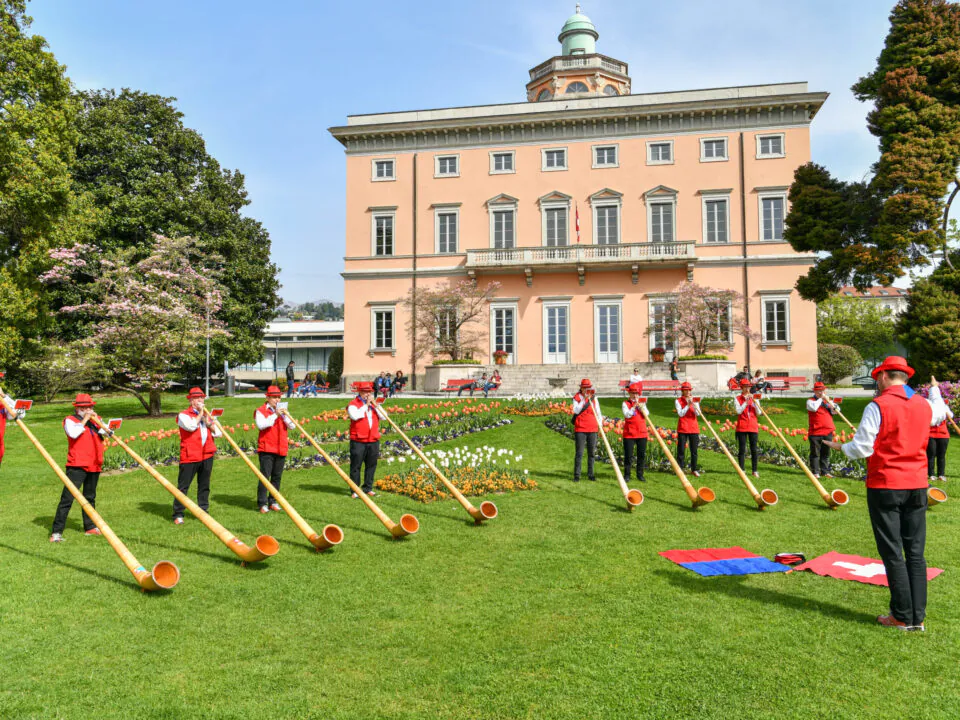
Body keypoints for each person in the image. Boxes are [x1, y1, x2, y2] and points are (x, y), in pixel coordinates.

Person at [824, 357, 947, 632]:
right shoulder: (923, 404)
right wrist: (935, 389)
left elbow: (863, 447)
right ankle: (917, 616)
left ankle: (902, 616)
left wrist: (840, 447)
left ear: (881, 377)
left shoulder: (877, 405)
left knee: (893, 552)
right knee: (915, 552)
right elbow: (941, 410)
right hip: (916, 484)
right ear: (905, 377)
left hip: (886, 484)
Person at [50, 394, 107, 542]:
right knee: (67, 499)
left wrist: (101, 424)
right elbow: (73, 433)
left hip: (94, 463)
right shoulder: (70, 420)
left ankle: (89, 527)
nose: (89, 410)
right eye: (86, 408)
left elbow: (106, 433)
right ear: (78, 409)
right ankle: (56, 532)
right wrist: (86, 419)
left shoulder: (96, 420)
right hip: (77, 464)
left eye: (91, 407)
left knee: (90, 497)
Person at [173, 387, 222, 524]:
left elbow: (218, 433)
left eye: (202, 398)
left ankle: (203, 511)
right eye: (197, 398)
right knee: (183, 486)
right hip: (190, 455)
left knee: (204, 484)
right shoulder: (183, 415)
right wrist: (201, 414)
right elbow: (191, 427)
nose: (200, 400)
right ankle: (178, 513)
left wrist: (209, 422)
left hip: (206, 454)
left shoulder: (207, 415)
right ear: (191, 400)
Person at [254, 385, 296, 513]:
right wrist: (275, 415)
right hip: (267, 448)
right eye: (274, 397)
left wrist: (285, 416)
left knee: (277, 477)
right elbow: (261, 425)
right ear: (267, 398)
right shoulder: (260, 411)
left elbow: (292, 426)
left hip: (280, 447)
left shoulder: (283, 411)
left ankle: (273, 501)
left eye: (278, 397)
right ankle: (262, 503)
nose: (277, 400)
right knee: (265, 477)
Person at [348, 381, 383, 497]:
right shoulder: (353, 404)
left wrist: (376, 406)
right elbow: (355, 415)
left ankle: (368, 488)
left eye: (369, 392)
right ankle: (355, 490)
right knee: (355, 466)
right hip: (358, 440)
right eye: (365, 392)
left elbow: (384, 417)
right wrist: (366, 405)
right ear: (360, 392)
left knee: (371, 465)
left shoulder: (375, 405)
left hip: (373, 440)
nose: (368, 394)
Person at [806, 381, 837, 479]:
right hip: (816, 432)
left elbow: (836, 411)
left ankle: (825, 471)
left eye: (823, 390)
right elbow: (814, 408)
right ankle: (815, 472)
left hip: (827, 431)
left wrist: (832, 404)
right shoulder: (810, 401)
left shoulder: (827, 402)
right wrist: (821, 398)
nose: (821, 393)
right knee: (815, 453)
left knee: (825, 453)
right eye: (819, 391)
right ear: (815, 391)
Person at [572, 378, 599, 482]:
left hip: (592, 427)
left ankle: (591, 474)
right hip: (581, 428)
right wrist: (584, 400)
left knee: (591, 452)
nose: (587, 389)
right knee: (579, 452)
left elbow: (598, 412)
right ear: (581, 388)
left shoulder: (594, 398)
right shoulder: (577, 398)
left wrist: (600, 424)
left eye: (588, 387)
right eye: (585, 388)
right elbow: (576, 410)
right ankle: (577, 475)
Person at [622, 382, 649, 482]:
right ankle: (627, 475)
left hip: (642, 433)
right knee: (628, 455)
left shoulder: (642, 404)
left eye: (637, 393)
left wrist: (641, 406)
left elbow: (647, 414)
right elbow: (627, 415)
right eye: (633, 393)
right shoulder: (625, 403)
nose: (635, 395)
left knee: (641, 455)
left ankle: (640, 475)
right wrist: (633, 407)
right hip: (629, 433)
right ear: (629, 394)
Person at [734, 379, 761, 478]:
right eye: (745, 386)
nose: (747, 388)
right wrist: (745, 402)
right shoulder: (737, 398)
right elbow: (738, 411)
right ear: (741, 387)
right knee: (742, 449)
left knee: (754, 449)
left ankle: (755, 470)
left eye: (748, 386)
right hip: (742, 426)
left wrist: (755, 402)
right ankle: (742, 470)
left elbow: (759, 413)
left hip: (753, 426)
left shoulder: (755, 398)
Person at [675, 382, 701, 477]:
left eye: (689, 390)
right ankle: (680, 469)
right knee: (681, 450)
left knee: (694, 450)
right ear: (682, 391)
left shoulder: (695, 400)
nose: (688, 392)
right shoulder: (678, 401)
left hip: (694, 428)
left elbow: (698, 414)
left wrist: (694, 404)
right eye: (686, 390)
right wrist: (687, 405)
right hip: (683, 428)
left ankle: (694, 469)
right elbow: (681, 414)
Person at [926, 401, 954, 483]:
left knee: (941, 455)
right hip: (930, 434)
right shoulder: (930, 407)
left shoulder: (944, 408)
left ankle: (941, 475)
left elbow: (950, 416)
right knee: (931, 454)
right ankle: (931, 474)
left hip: (943, 434)